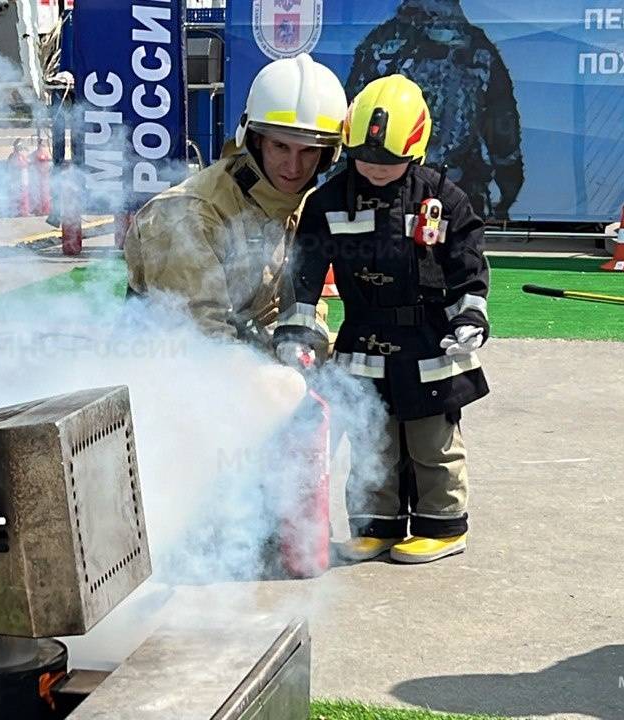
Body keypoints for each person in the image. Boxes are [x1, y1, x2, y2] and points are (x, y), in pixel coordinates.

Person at [274, 74, 490, 564]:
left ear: (415, 149)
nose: (373, 169)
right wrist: (296, 329)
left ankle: (443, 525)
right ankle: (376, 525)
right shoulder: (330, 200)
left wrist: (470, 315)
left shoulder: (442, 198)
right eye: (364, 159)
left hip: (429, 344)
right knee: (374, 441)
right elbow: (304, 269)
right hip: (364, 339)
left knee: (432, 443)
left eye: (388, 163)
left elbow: (467, 262)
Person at [123, 54, 347, 347]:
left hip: (237, 353)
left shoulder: (297, 207)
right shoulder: (189, 215)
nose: (294, 168)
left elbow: (289, 304)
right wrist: (269, 379)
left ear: (327, 156)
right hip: (167, 369)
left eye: (308, 151)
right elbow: (201, 340)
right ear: (255, 140)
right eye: (280, 146)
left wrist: (304, 344)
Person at [347, 0, 523, 220]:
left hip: (384, 194)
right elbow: (504, 138)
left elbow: (351, 121)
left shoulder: (380, 43)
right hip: (447, 198)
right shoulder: (478, 49)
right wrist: (509, 191)